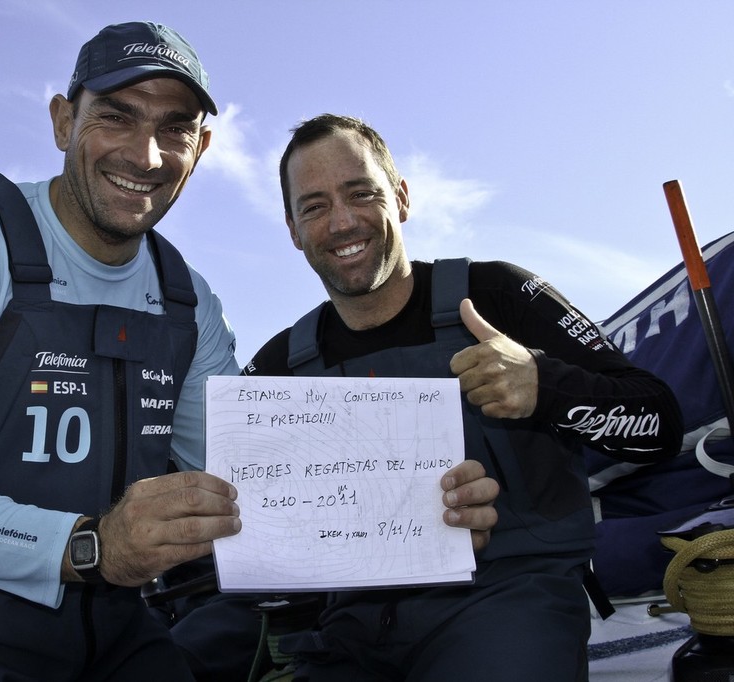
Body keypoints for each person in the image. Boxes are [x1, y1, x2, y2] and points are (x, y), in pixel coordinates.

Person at [0, 25, 497, 681]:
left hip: (108, 630)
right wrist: (92, 545)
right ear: (62, 122)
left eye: (174, 128)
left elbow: (258, 487)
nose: (145, 155)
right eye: (116, 116)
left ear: (200, 149)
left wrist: (414, 516)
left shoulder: (187, 299)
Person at [239, 114, 685, 681]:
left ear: (401, 197)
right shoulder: (278, 368)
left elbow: (660, 422)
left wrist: (545, 386)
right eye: (315, 206)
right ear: (293, 228)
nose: (343, 221)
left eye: (361, 193)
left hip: (509, 602)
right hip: (348, 630)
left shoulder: (498, 296)